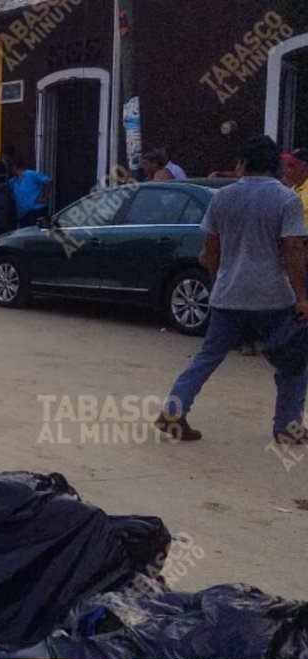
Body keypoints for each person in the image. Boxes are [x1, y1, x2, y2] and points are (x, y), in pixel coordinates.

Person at [161, 135, 308, 446]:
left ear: (244, 163)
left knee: (207, 357)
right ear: (273, 166)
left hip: (228, 294)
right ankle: (287, 427)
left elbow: (208, 250)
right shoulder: (286, 199)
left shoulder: (221, 197)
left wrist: (219, 281)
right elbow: (294, 249)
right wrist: (302, 297)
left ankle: (174, 410)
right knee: (292, 364)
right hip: (273, 297)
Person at [8, 157, 52, 227]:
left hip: (36, 210)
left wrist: (45, 197)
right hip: (23, 213)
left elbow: (48, 181)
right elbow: (5, 187)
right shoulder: (13, 181)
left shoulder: (30, 174)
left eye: (11, 167)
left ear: (15, 166)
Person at [281, 150, 308, 222]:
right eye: (286, 165)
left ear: (305, 167)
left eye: (291, 166)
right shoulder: (293, 188)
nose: (286, 170)